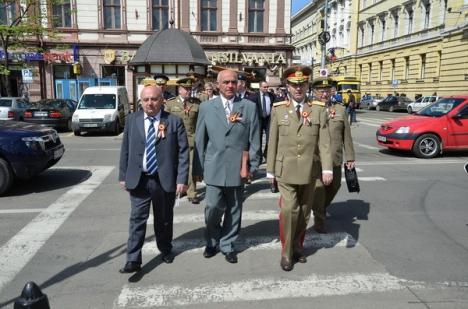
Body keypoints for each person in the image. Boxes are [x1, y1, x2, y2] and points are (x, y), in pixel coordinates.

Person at [267, 66, 333, 271]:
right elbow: (273, 142)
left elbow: (324, 142)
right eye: (294, 85)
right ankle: (286, 253)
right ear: (287, 85)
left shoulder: (318, 109)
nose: (298, 88)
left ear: (307, 86)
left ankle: (297, 245)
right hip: (285, 169)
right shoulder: (279, 109)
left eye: (302, 84)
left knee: (304, 213)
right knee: (289, 210)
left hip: (309, 170)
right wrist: (270, 171)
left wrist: (327, 169)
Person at [118, 85, 189, 273]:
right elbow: (125, 149)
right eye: (146, 99)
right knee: (137, 220)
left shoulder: (173, 121)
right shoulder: (132, 120)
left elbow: (183, 152)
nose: (150, 103)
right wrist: (123, 175)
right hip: (139, 179)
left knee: (164, 219)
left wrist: (182, 179)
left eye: (154, 99)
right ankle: (133, 259)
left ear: (162, 100)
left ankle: (165, 249)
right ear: (141, 101)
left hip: (163, 180)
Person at [193, 69, 261, 264]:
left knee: (234, 208)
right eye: (226, 82)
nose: (230, 85)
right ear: (217, 85)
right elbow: (200, 139)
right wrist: (197, 169)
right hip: (213, 166)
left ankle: (227, 244)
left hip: (237, 167)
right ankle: (212, 240)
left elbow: (254, 138)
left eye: (233, 82)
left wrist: (253, 165)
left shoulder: (248, 107)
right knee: (212, 207)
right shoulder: (206, 107)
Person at [312, 80, 355, 234]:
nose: (324, 94)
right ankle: (319, 217)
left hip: (335, 158)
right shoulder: (308, 109)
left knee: (335, 186)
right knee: (319, 189)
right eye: (320, 91)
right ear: (314, 92)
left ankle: (319, 208)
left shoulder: (340, 110)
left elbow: (347, 136)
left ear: (332, 92)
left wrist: (350, 157)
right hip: (316, 159)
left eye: (327, 90)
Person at [165, 77, 202, 204]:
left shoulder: (196, 103)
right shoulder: (170, 104)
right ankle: (178, 189)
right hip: (175, 141)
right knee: (175, 166)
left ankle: (192, 193)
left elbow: (200, 123)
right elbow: (165, 123)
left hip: (191, 140)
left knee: (192, 167)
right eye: (185, 89)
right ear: (179, 89)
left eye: (189, 89)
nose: (188, 91)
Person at [247, 81, 276, 163]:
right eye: (264, 87)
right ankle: (259, 157)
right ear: (260, 87)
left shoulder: (272, 96)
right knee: (258, 139)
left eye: (267, 87)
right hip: (258, 120)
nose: (266, 88)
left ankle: (267, 155)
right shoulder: (253, 96)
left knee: (269, 138)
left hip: (268, 120)